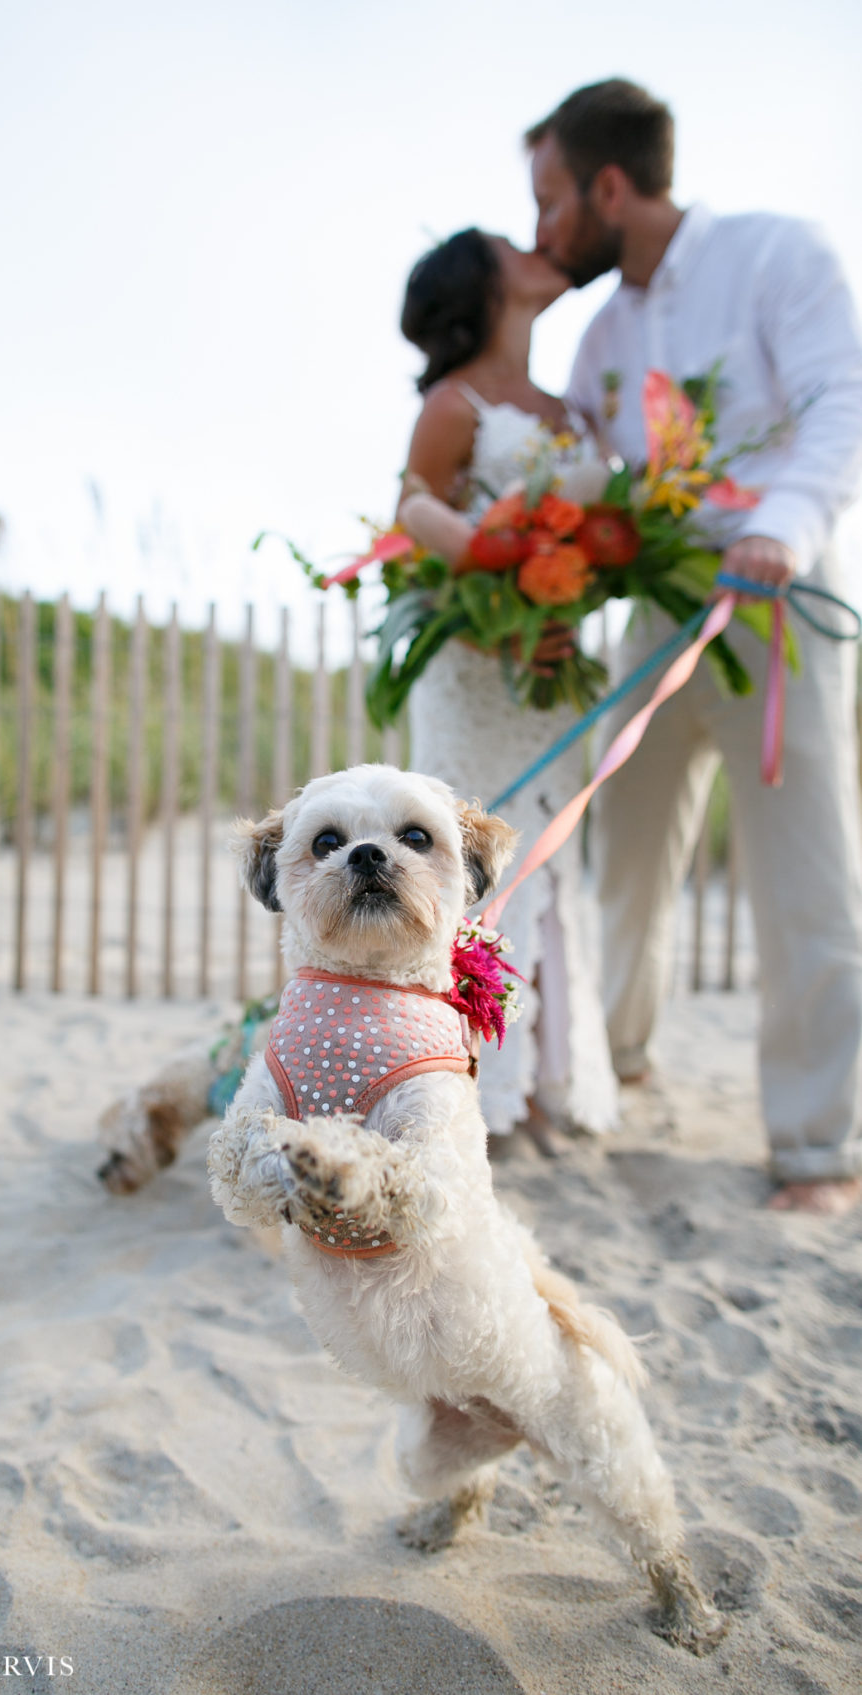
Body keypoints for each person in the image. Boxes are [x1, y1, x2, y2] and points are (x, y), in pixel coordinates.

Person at [526, 78, 862, 1213]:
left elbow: (841, 399)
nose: (542, 232)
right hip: (660, 613)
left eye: (550, 202)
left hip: (777, 600)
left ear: (608, 187)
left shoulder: (777, 256)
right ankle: (614, 1065)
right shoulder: (601, 336)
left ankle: (816, 1148)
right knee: (621, 850)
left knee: (801, 874)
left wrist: (778, 528)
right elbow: (574, 475)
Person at [394, 228, 620, 1152]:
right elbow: (409, 523)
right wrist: (499, 590)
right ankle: (468, 1084)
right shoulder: (455, 405)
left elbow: (601, 537)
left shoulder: (570, 409)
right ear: (480, 287)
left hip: (551, 671)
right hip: (476, 672)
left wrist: (569, 600)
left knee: (551, 863)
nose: (535, 248)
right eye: (506, 247)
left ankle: (541, 1085)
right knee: (476, 861)